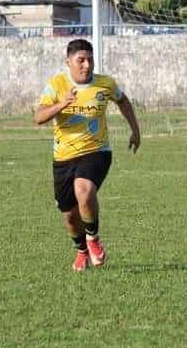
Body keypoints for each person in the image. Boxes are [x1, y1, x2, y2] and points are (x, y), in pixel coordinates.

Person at [34, 39, 141, 271]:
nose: (86, 65)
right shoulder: (57, 84)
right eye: (80, 60)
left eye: (90, 59)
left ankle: (93, 238)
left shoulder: (106, 84)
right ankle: (82, 251)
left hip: (97, 151)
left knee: (84, 190)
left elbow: (123, 101)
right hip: (63, 157)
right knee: (70, 217)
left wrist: (135, 131)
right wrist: (61, 104)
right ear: (68, 62)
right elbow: (39, 117)